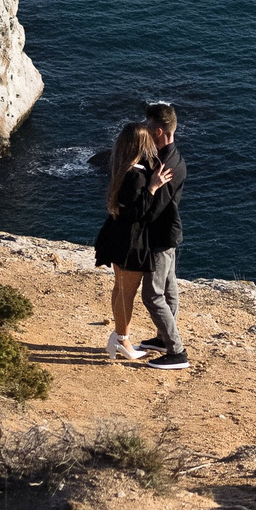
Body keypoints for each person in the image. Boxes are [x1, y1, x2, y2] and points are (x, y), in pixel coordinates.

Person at [93, 122, 168, 361]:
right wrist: (153, 188)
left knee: (120, 288)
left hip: (116, 235)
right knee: (127, 293)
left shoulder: (123, 167)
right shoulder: (136, 176)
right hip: (130, 240)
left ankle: (118, 337)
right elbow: (137, 213)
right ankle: (122, 339)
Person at [137, 102, 189, 370]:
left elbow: (153, 210)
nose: (144, 129)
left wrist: (151, 188)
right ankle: (162, 339)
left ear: (157, 131)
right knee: (169, 288)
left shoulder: (165, 167)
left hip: (159, 237)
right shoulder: (172, 157)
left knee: (152, 295)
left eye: (147, 126)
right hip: (169, 235)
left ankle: (176, 351)